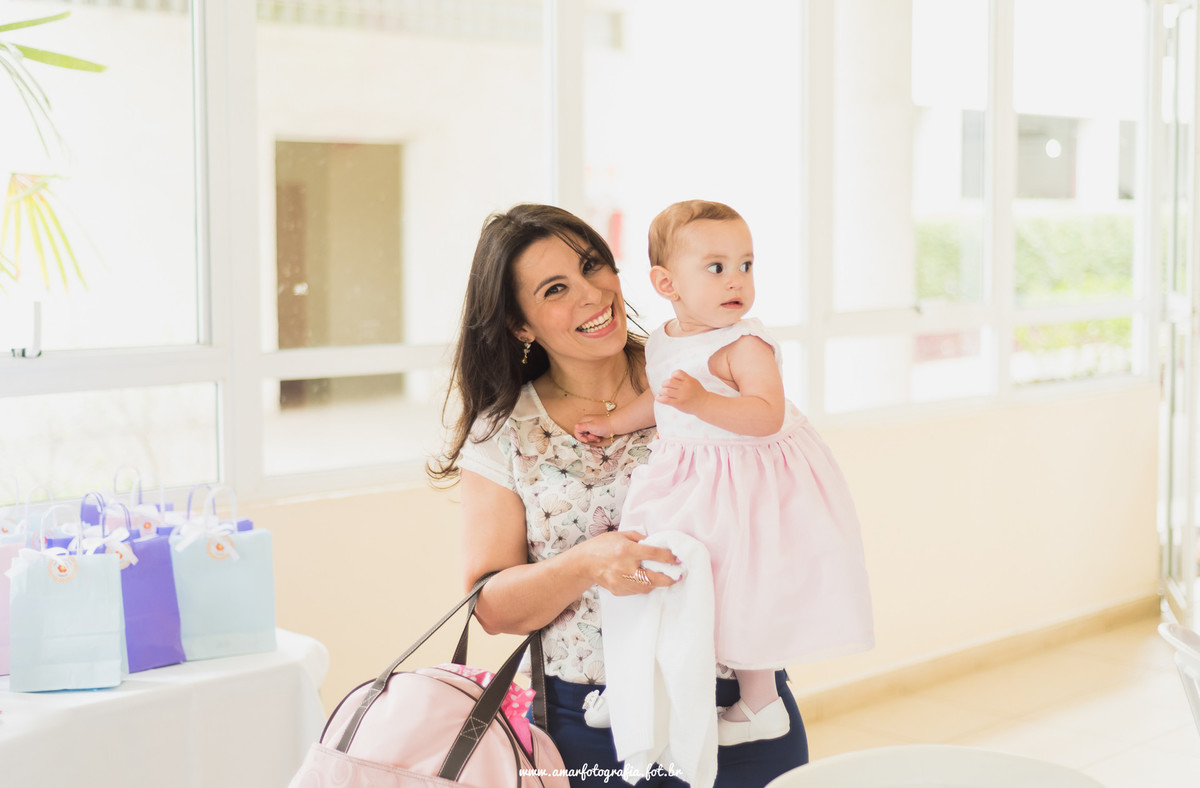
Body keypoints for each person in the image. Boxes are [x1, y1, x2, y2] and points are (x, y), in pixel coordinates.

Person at [429, 203, 809, 787]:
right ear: (519, 325)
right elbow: (492, 606)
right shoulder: (505, 433)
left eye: (592, 266)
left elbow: (781, 495)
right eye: (556, 288)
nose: (592, 294)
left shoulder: (706, 370)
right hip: (591, 724)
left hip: (737, 705)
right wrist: (587, 564)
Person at [575, 200, 874, 746]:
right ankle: (636, 683)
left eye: (746, 265)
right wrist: (615, 423)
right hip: (687, 474)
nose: (736, 280)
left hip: (746, 482)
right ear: (667, 283)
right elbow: (663, 399)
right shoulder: (664, 339)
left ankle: (761, 703)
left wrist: (702, 403)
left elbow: (766, 415)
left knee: (742, 590)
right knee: (648, 567)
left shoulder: (744, 344)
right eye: (716, 267)